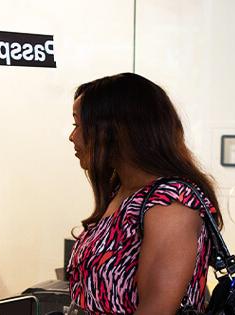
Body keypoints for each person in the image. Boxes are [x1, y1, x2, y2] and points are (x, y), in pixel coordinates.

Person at [65, 73, 222, 314]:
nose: (72, 136)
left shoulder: (170, 202)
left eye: (78, 125)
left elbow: (157, 309)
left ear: (112, 130)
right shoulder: (123, 190)